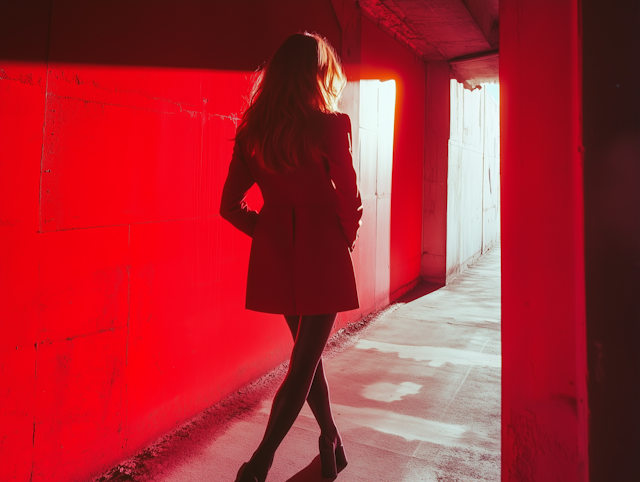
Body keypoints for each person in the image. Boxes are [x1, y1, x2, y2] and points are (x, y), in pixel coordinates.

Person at [219, 32, 363, 482]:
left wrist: (267, 231)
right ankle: (259, 463)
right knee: (304, 362)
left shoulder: (253, 129)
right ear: (316, 73)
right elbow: (349, 198)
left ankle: (330, 440)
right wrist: (346, 239)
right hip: (323, 247)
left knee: (307, 357)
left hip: (276, 250)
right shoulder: (330, 124)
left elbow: (229, 205)